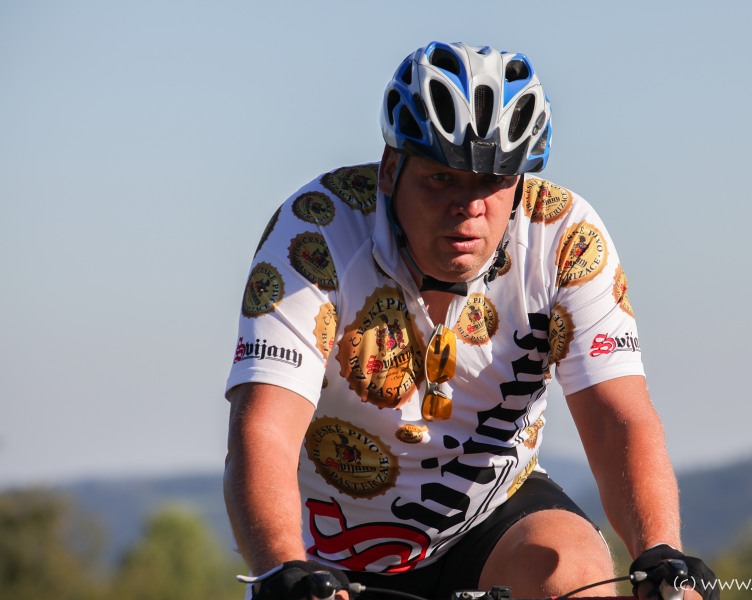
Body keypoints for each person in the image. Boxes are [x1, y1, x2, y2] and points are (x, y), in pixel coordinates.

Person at [224, 41, 718, 600]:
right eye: (442, 179)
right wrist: (280, 565)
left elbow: (616, 418)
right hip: (331, 545)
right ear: (390, 170)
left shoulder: (566, 238)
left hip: (492, 516)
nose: (469, 206)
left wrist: (660, 552)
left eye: (493, 182)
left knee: (571, 570)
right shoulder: (315, 233)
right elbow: (264, 426)